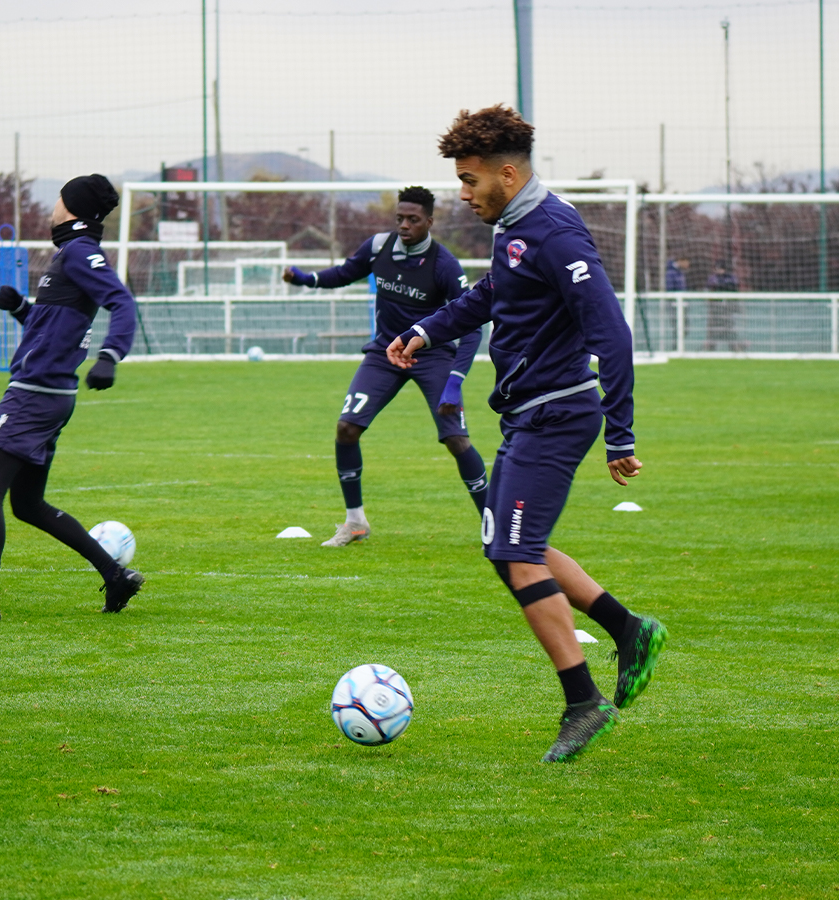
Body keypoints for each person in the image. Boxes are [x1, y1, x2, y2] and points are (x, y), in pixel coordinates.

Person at [387, 106, 667, 762]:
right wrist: (426, 330)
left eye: (469, 179)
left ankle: (584, 702)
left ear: (507, 175)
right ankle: (629, 630)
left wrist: (621, 435)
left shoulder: (555, 233)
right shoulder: (514, 227)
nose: (462, 193)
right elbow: (493, 295)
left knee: (515, 551)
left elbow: (612, 332)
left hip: (556, 414)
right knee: (508, 545)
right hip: (526, 413)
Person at [0, 174, 144, 622]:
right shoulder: (71, 253)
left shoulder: (80, 252)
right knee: (26, 504)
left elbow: (122, 303)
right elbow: (54, 328)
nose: (53, 205)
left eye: (59, 198)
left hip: (33, 395)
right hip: (49, 394)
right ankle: (115, 575)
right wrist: (20, 309)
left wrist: (110, 356)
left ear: (71, 206)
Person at [282, 186, 489, 547]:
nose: (404, 225)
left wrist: (455, 382)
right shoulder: (379, 247)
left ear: (429, 221)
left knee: (456, 439)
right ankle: (355, 522)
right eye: (400, 218)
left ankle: (494, 525)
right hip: (384, 353)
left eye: (413, 219)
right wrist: (304, 279)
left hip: (432, 356)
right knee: (346, 428)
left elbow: (472, 325)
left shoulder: (444, 264)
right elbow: (344, 273)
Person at [704, 260, 742, 351]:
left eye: (720, 268)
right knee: (712, 330)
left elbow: (735, 289)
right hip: (715, 310)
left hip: (727, 310)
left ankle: (735, 348)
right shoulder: (712, 278)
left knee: (729, 330)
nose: (719, 270)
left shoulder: (731, 278)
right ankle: (710, 349)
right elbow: (708, 290)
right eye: (717, 268)